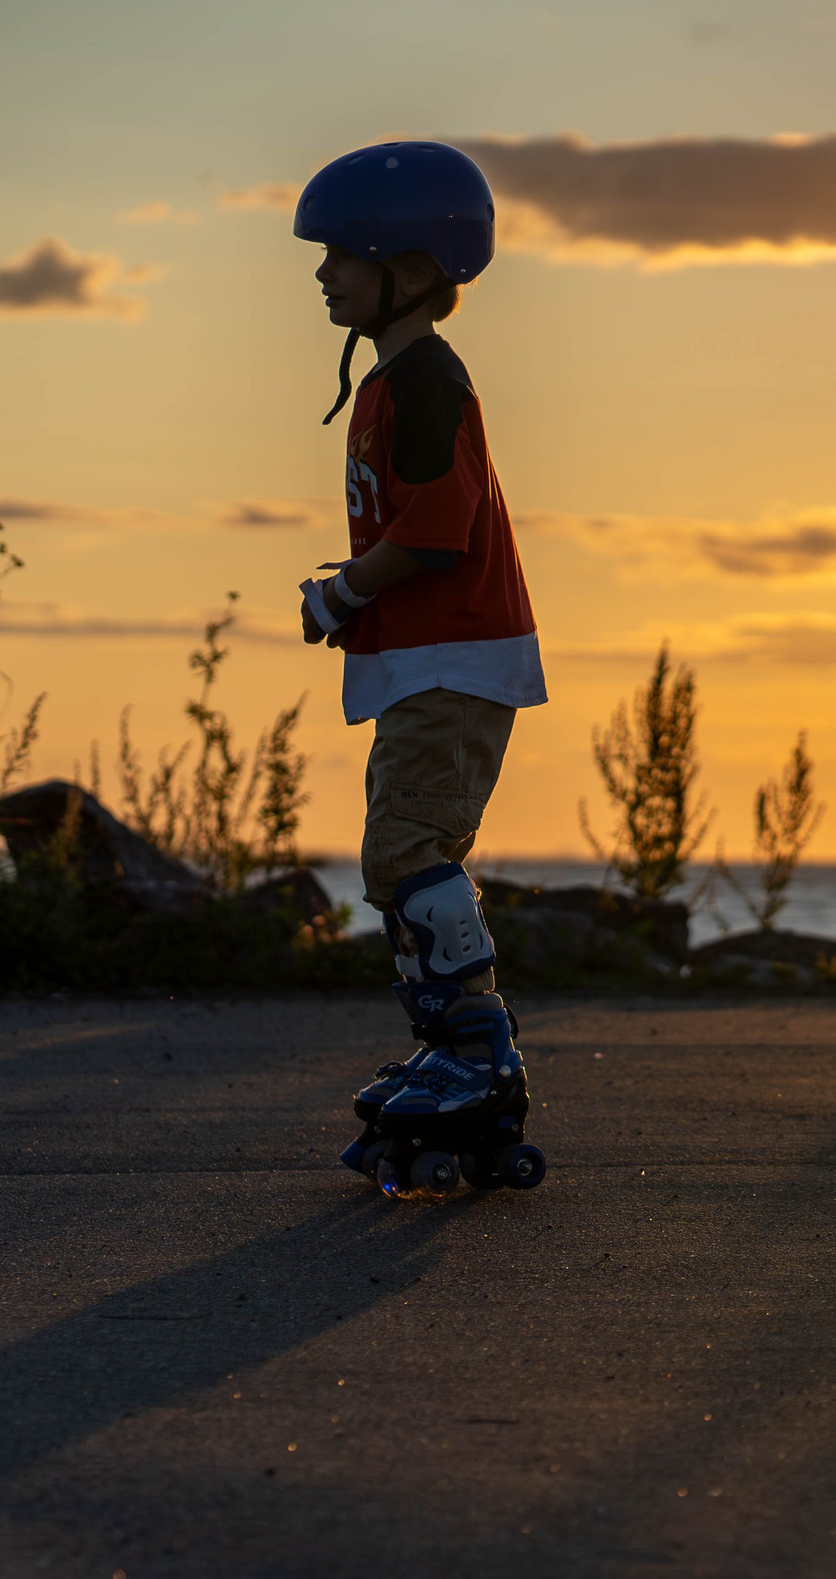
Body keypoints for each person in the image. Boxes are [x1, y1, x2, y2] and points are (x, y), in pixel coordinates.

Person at [292, 141, 549, 1199]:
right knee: (397, 857)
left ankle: (477, 1053)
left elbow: (436, 531)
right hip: (427, 660)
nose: (322, 275)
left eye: (342, 256)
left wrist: (346, 591)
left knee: (407, 852)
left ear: (408, 262)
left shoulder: (426, 380)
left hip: (456, 656)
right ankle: (449, 1042)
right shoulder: (397, 380)